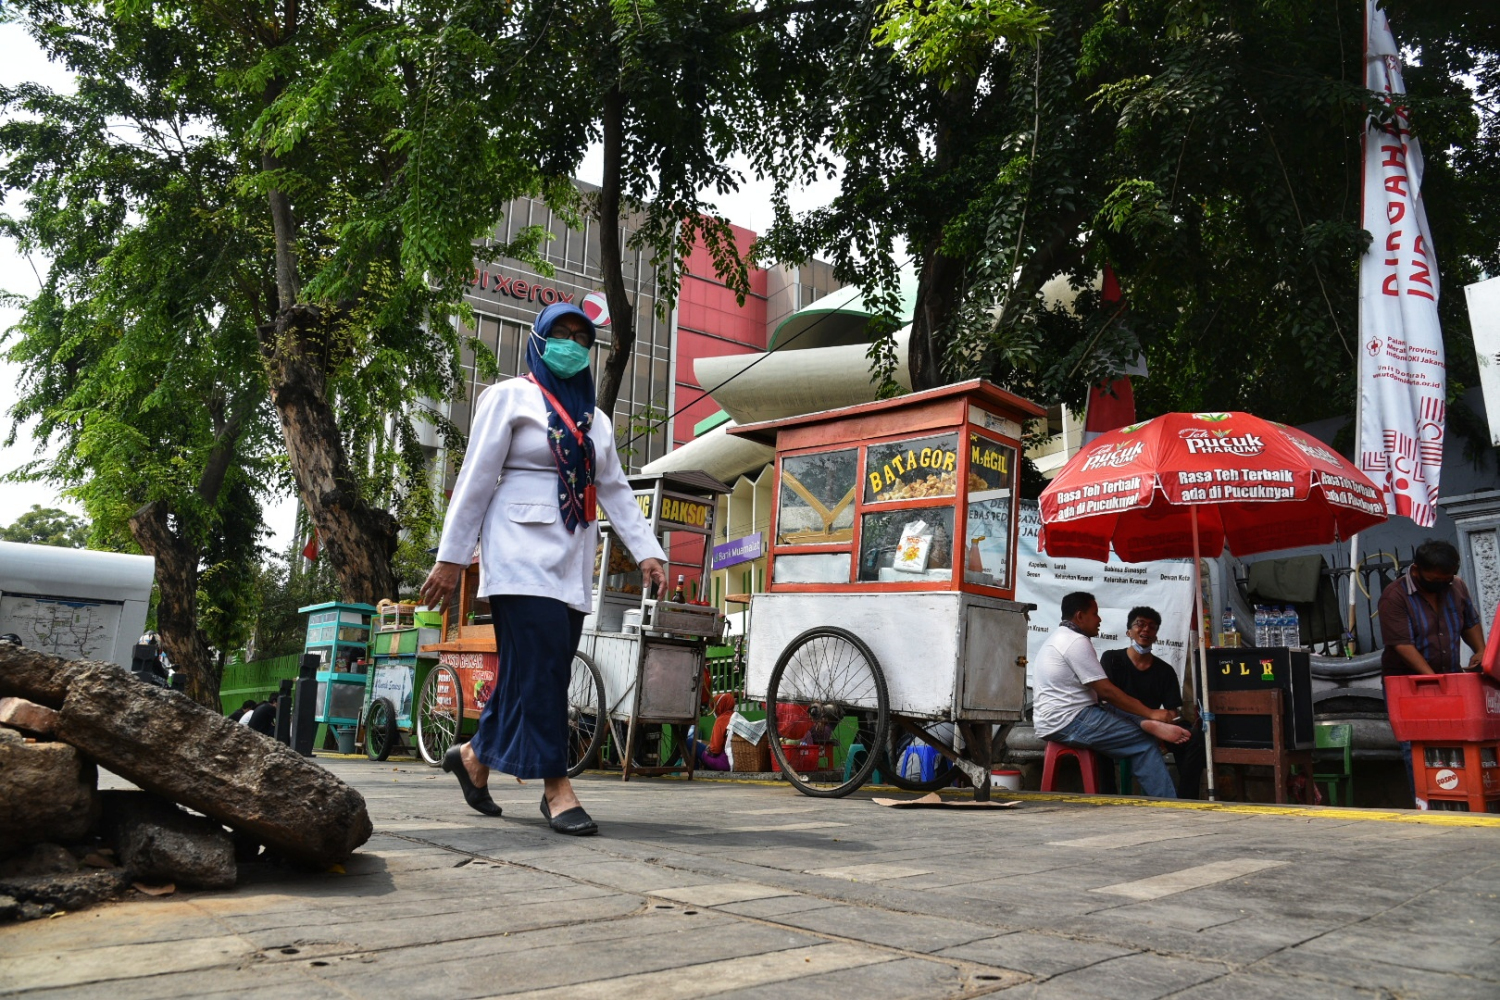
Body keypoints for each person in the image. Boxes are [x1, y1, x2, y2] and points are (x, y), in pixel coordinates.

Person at [421, 302, 667, 836]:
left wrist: (648, 550)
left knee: (525, 673)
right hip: (516, 555)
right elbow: (475, 477)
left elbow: (616, 491)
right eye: (562, 333)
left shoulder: (596, 421)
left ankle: (474, 759)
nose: (573, 344)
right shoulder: (509, 396)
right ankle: (557, 789)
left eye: (583, 338)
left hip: (571, 561)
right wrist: (451, 557)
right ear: (539, 339)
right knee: (546, 674)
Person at [1033, 591, 1191, 798]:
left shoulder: (1059, 638)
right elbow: (1106, 690)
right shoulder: (1074, 642)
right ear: (1080, 616)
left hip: (1067, 716)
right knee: (1144, 742)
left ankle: (1145, 723)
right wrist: (1151, 713)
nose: (1099, 620)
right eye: (1095, 614)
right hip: (1069, 720)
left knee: (1110, 708)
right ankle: (1169, 804)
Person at [1377, 539, 1486, 804]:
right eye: (1434, 579)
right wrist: (1432, 681)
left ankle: (1458, 800)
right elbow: (1402, 645)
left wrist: (1481, 651)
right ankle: (1425, 803)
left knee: (1456, 743)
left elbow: (1469, 622)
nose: (1441, 583)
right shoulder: (1395, 596)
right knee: (1414, 745)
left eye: (1446, 579)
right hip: (1407, 683)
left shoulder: (1456, 587)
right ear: (1416, 570)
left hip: (1450, 678)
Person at [1099, 606, 1206, 799]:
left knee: (1193, 738)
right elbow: (1106, 700)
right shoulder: (1112, 659)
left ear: (1156, 635)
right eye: (1140, 624)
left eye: (1152, 627)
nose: (1146, 630)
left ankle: (1186, 799)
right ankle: (1108, 799)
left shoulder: (1165, 670)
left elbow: (1172, 712)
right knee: (1097, 745)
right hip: (1119, 724)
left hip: (1156, 726)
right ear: (1128, 631)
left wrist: (1164, 733)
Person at [689, 693, 736, 771]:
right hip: (736, 763)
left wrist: (707, 750)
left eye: (715, 708)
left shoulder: (721, 720)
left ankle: (695, 772)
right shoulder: (737, 716)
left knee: (690, 742)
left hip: (724, 763)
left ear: (719, 706)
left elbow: (715, 751)